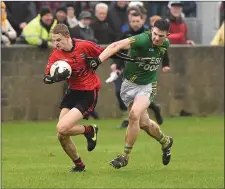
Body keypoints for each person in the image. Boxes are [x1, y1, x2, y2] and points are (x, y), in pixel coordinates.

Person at [85, 19, 173, 169]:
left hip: (147, 86)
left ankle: (125, 156)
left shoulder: (165, 44)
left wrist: (165, 65)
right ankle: (166, 142)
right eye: (155, 34)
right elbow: (116, 46)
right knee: (144, 123)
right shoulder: (142, 39)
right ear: (151, 30)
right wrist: (98, 60)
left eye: (161, 36)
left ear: (167, 35)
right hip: (129, 85)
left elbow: (162, 54)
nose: (157, 38)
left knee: (134, 115)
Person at [43, 24, 104, 172]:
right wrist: (53, 78)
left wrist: (97, 61)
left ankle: (89, 130)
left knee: (62, 127)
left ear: (67, 37)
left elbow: (105, 52)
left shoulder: (84, 46)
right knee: (61, 135)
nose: (56, 43)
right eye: (54, 40)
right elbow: (46, 77)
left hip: (88, 92)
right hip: (73, 92)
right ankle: (79, 165)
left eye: (59, 40)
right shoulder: (56, 55)